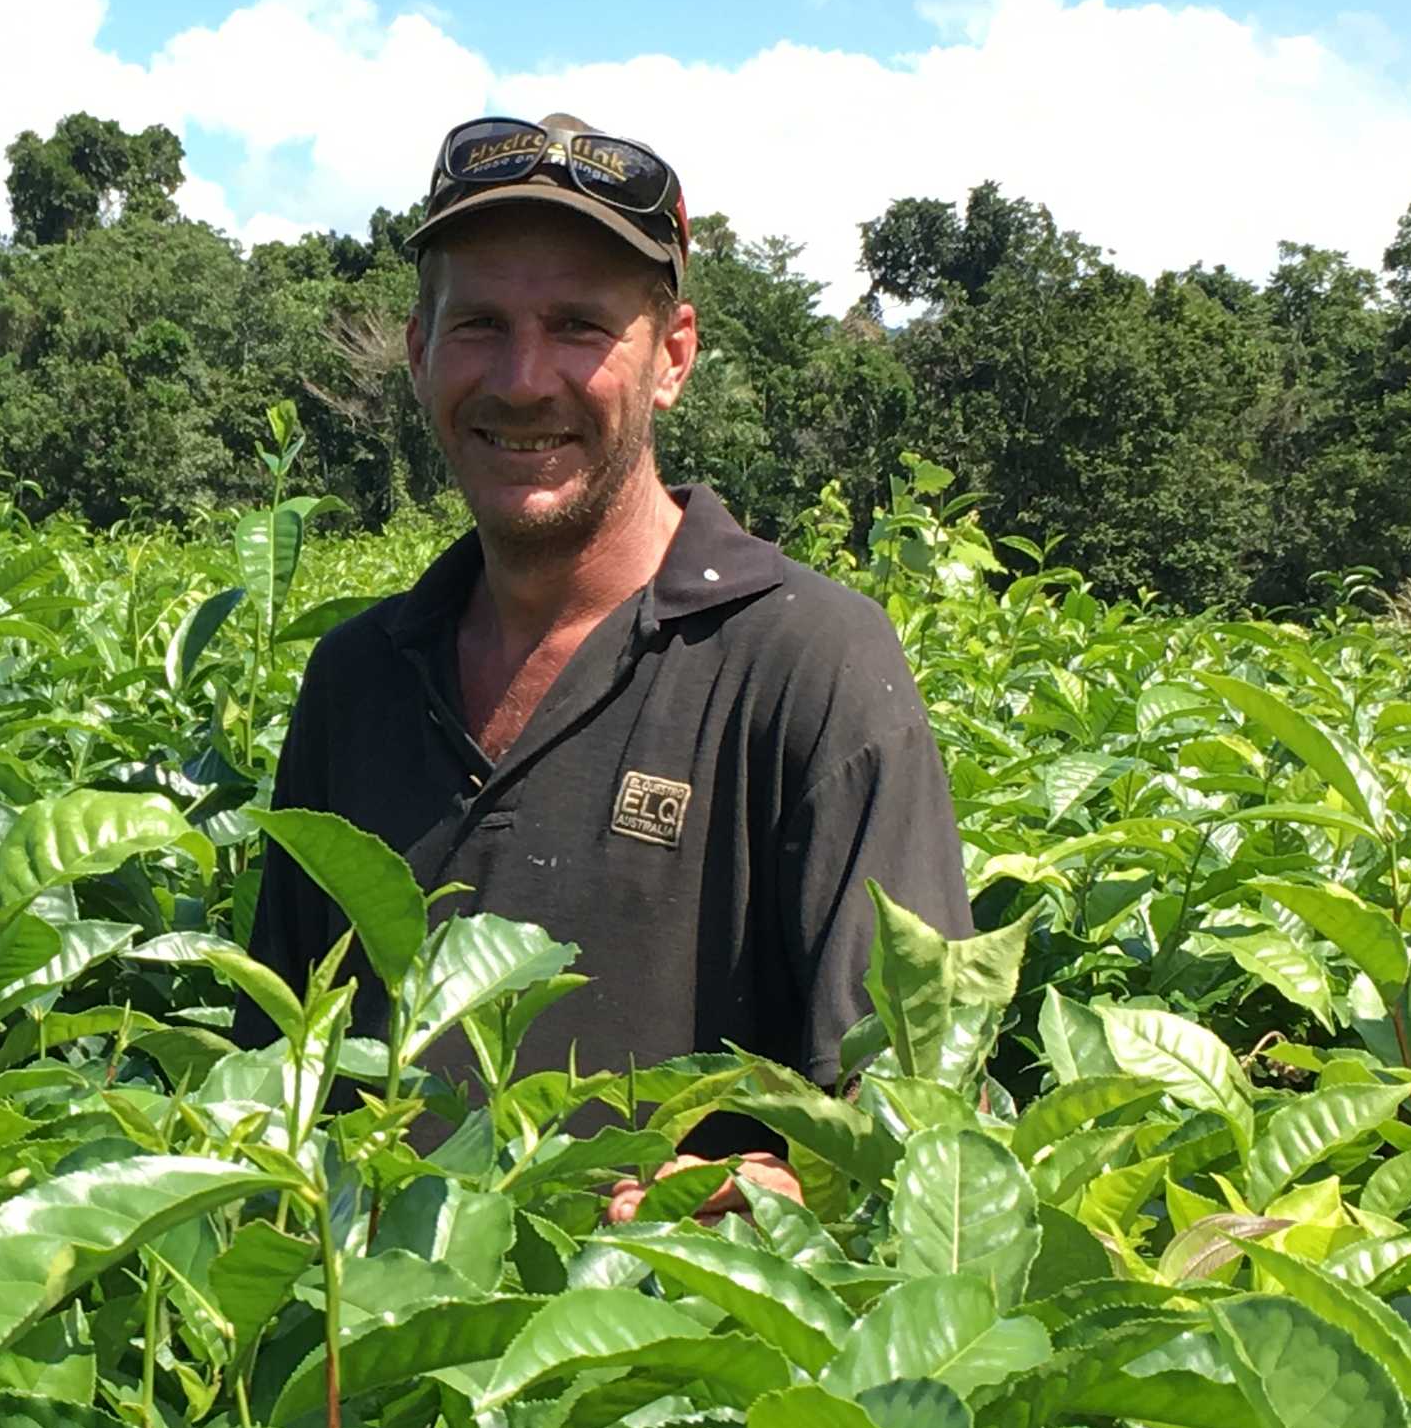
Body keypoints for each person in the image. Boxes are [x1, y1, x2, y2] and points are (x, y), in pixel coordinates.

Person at [242, 111, 971, 1216]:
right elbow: (274, 1088)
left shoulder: (810, 666)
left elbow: (918, 1130)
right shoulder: (357, 680)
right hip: (368, 1369)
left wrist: (772, 1188)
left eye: (579, 326)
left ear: (671, 357)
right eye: (481, 323)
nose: (524, 379)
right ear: (419, 352)